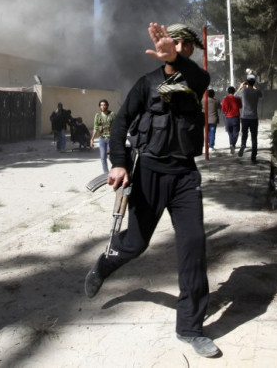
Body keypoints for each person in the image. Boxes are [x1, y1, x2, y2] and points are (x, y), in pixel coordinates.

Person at [84, 22, 220, 358]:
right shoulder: (146, 83)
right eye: (174, 44)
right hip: (150, 173)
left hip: (185, 177)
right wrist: (118, 163)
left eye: (185, 46)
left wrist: (177, 60)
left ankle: (190, 327)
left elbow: (198, 78)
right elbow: (120, 124)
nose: (180, 49)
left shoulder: (197, 80)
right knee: (135, 243)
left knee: (193, 246)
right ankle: (105, 263)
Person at [235, 74, 263, 163]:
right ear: (254, 82)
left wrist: (240, 86)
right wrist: (253, 86)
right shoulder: (257, 91)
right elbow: (261, 95)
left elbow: (235, 96)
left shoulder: (243, 91)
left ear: (246, 82)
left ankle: (243, 144)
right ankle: (253, 158)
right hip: (254, 117)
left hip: (244, 117)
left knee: (244, 134)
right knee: (254, 138)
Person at [90, 98, 116, 174]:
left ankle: (116, 169)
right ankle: (106, 174)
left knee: (110, 157)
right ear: (99, 106)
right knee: (103, 158)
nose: (103, 106)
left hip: (110, 139)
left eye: (104, 105)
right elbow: (95, 128)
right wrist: (92, 139)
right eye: (101, 105)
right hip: (101, 139)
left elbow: (116, 127)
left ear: (107, 106)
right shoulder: (97, 116)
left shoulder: (112, 115)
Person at [221, 85, 242, 155]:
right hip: (236, 118)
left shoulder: (225, 99)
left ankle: (231, 144)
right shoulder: (238, 99)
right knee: (236, 132)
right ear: (234, 91)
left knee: (230, 133)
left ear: (228, 92)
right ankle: (233, 144)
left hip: (228, 118)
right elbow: (240, 106)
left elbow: (223, 110)